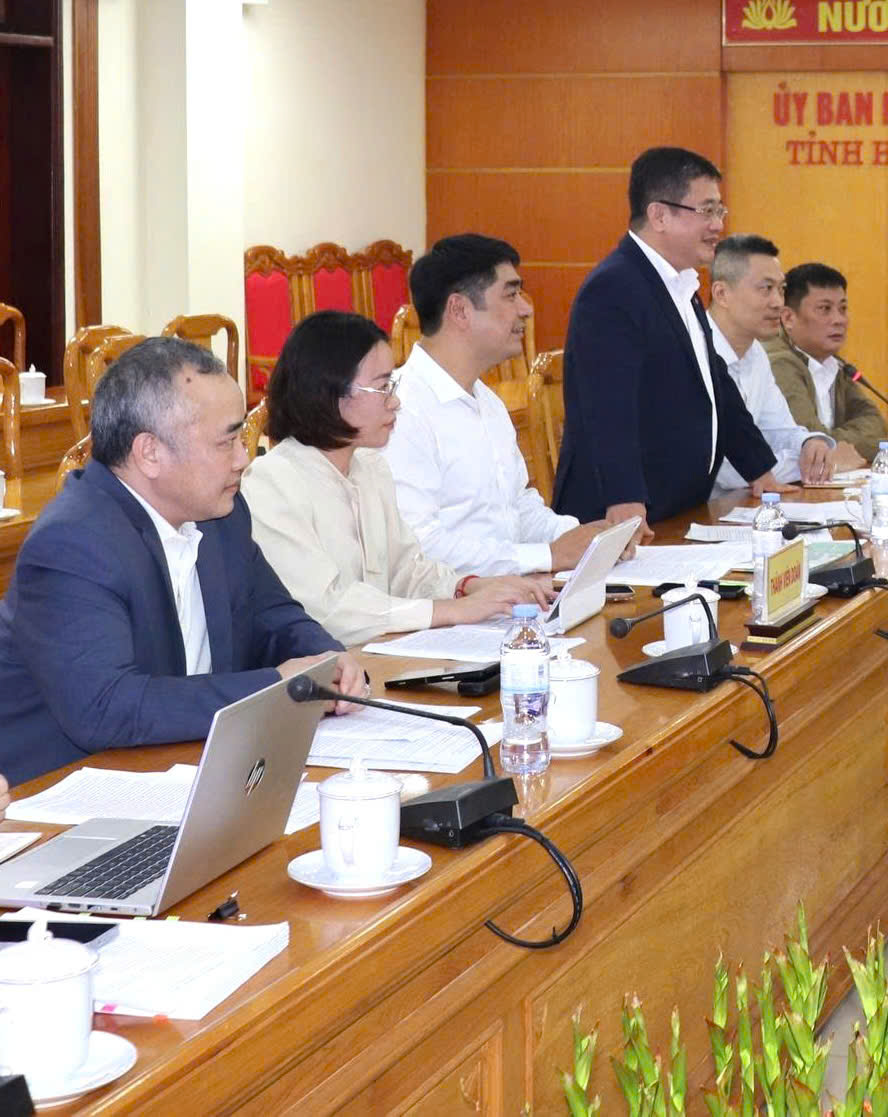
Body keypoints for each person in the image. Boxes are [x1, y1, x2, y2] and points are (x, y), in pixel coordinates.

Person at [0, 337, 362, 783]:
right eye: (226, 442)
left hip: (178, 767)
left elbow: (272, 614)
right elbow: (106, 708)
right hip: (56, 792)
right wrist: (274, 687)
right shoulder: (73, 542)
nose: (243, 459)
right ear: (150, 453)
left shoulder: (220, 514)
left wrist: (326, 658)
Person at [242, 312, 554, 647]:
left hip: (380, 654)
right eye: (382, 387)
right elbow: (327, 610)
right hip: (322, 667)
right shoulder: (271, 483)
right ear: (330, 393)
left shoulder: (370, 468)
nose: (395, 401)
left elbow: (408, 569)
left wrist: (469, 587)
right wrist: (451, 610)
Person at [553, 147, 778, 523]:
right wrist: (624, 498)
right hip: (623, 518)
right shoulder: (613, 288)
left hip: (676, 508)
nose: (718, 225)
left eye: (719, 211)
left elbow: (715, 385)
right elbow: (607, 406)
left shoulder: (680, 284)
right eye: (706, 211)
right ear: (659, 215)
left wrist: (759, 470)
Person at [386, 234, 621, 575]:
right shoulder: (401, 410)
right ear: (460, 310)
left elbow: (516, 509)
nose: (526, 308)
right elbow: (418, 546)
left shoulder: (488, 401)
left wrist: (585, 537)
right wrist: (546, 556)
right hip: (453, 601)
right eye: (511, 295)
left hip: (508, 591)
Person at [708, 234, 837, 491]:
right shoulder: (693, 353)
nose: (778, 302)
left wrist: (810, 444)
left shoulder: (756, 354)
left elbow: (779, 430)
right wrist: (804, 464)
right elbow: (726, 468)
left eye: (781, 289)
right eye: (766, 288)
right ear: (722, 294)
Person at [769, 262, 888, 462]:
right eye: (825, 309)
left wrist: (840, 442)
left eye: (843, 308)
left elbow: (876, 423)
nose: (839, 319)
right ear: (788, 318)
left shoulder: (833, 363)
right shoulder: (779, 364)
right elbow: (814, 443)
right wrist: (879, 447)